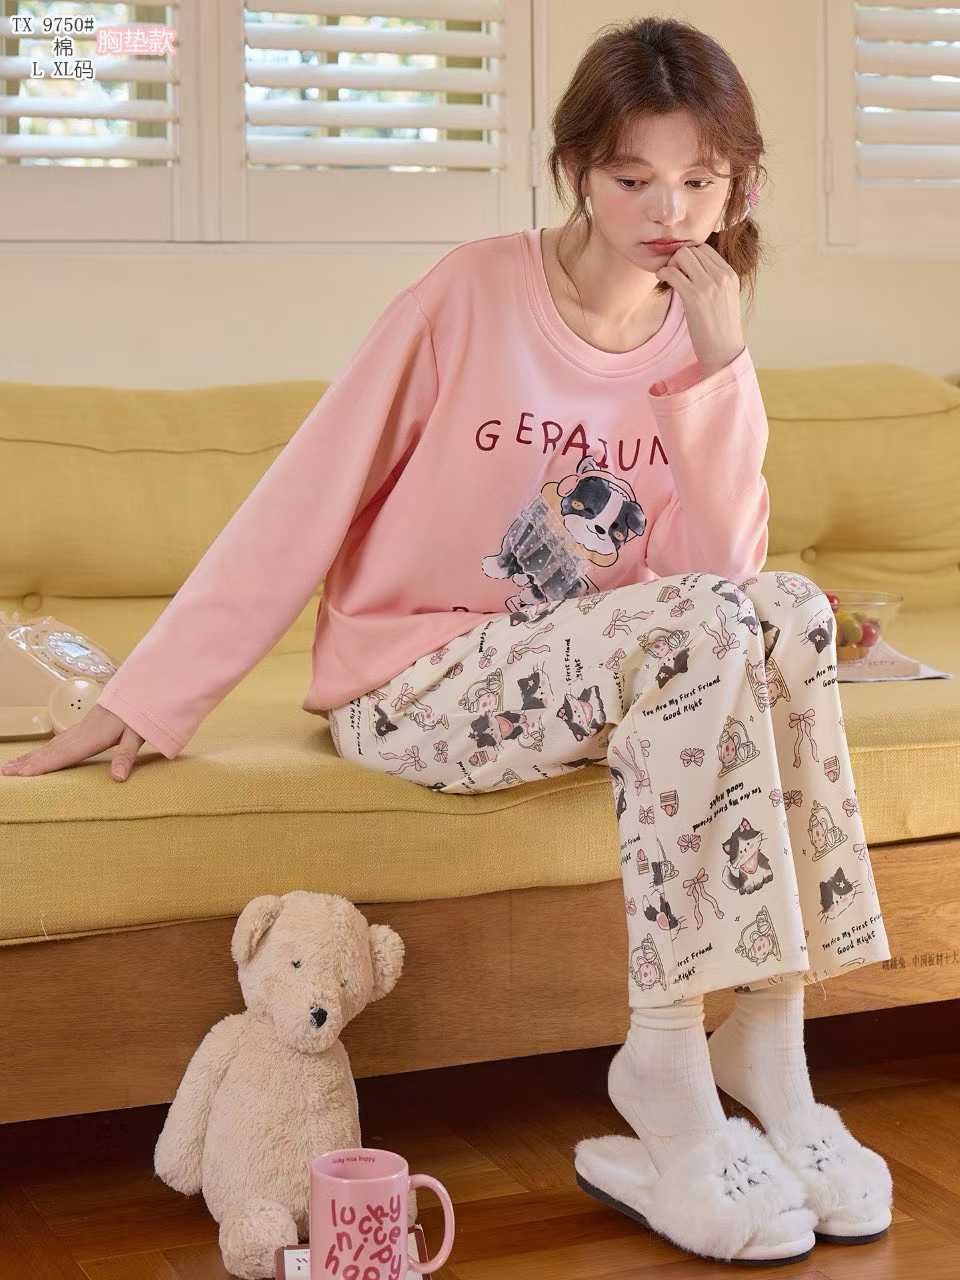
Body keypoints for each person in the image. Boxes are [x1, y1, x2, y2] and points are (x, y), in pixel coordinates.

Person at [3, 15, 893, 1265]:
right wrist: (151, 696)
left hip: (586, 675)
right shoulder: (472, 294)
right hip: (413, 682)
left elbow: (726, 583)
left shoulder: (700, 339)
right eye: (633, 177)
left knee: (788, 606)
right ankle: (666, 1056)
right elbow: (309, 490)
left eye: (701, 181)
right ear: (575, 169)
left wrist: (721, 367)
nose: (669, 212)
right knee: (731, 616)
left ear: (739, 184)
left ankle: (772, 1039)